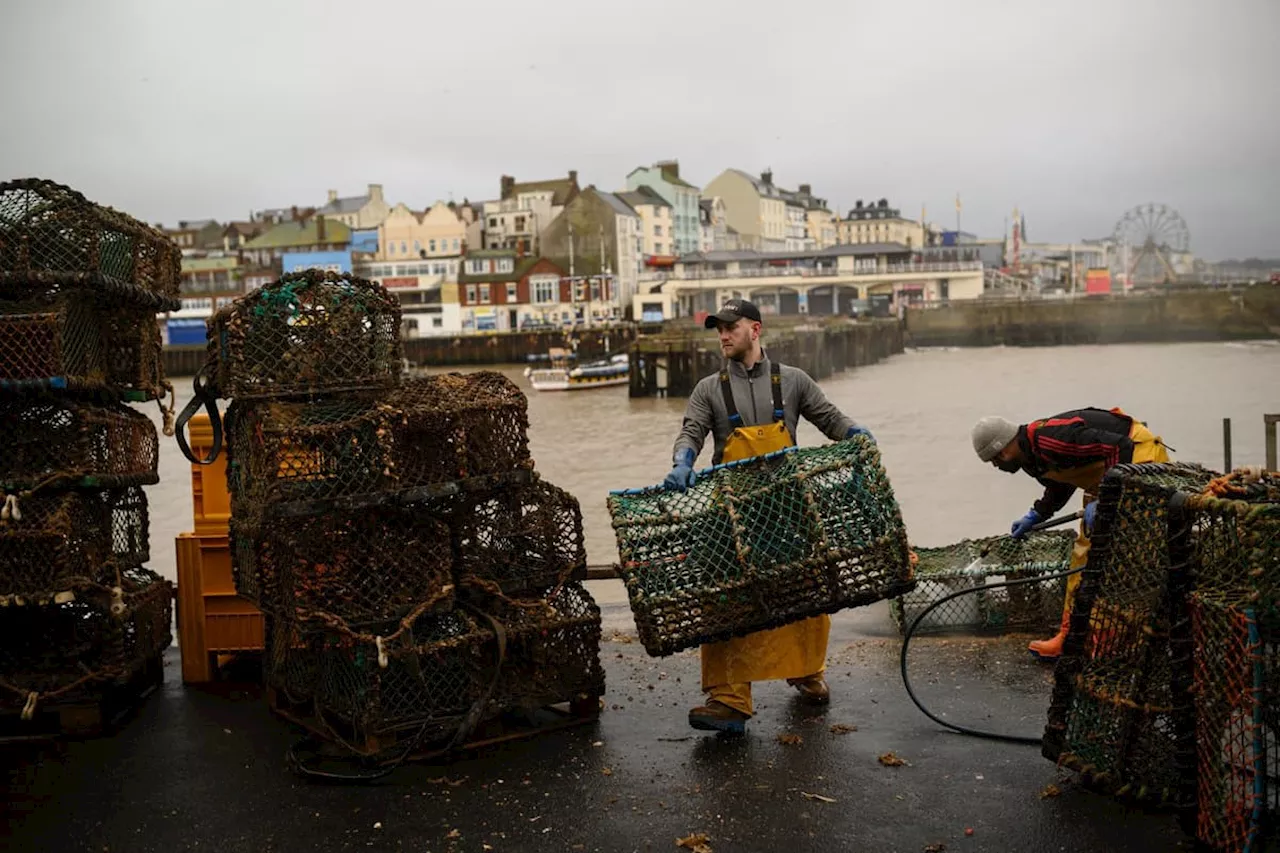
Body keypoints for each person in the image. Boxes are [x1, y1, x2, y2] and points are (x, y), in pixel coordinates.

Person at [662, 298, 873, 734]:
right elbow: (692, 432)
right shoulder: (708, 389)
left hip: (788, 510)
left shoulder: (793, 381)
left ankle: (807, 671)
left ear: (755, 330)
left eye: (730, 327)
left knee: (807, 592)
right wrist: (682, 461)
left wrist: (857, 434)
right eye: (718, 329)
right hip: (732, 514)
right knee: (725, 600)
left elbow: (830, 419)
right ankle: (729, 699)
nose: (722, 335)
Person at [970, 407, 1171, 660]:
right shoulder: (1031, 458)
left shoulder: (1051, 438)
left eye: (995, 459)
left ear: (1003, 448)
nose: (996, 466)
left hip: (1141, 459)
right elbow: (1061, 483)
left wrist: (1108, 499)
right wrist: (1038, 514)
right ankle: (1073, 637)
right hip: (1114, 474)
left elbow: (1119, 447)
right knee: (1084, 553)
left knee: (1124, 554)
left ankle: (1123, 638)